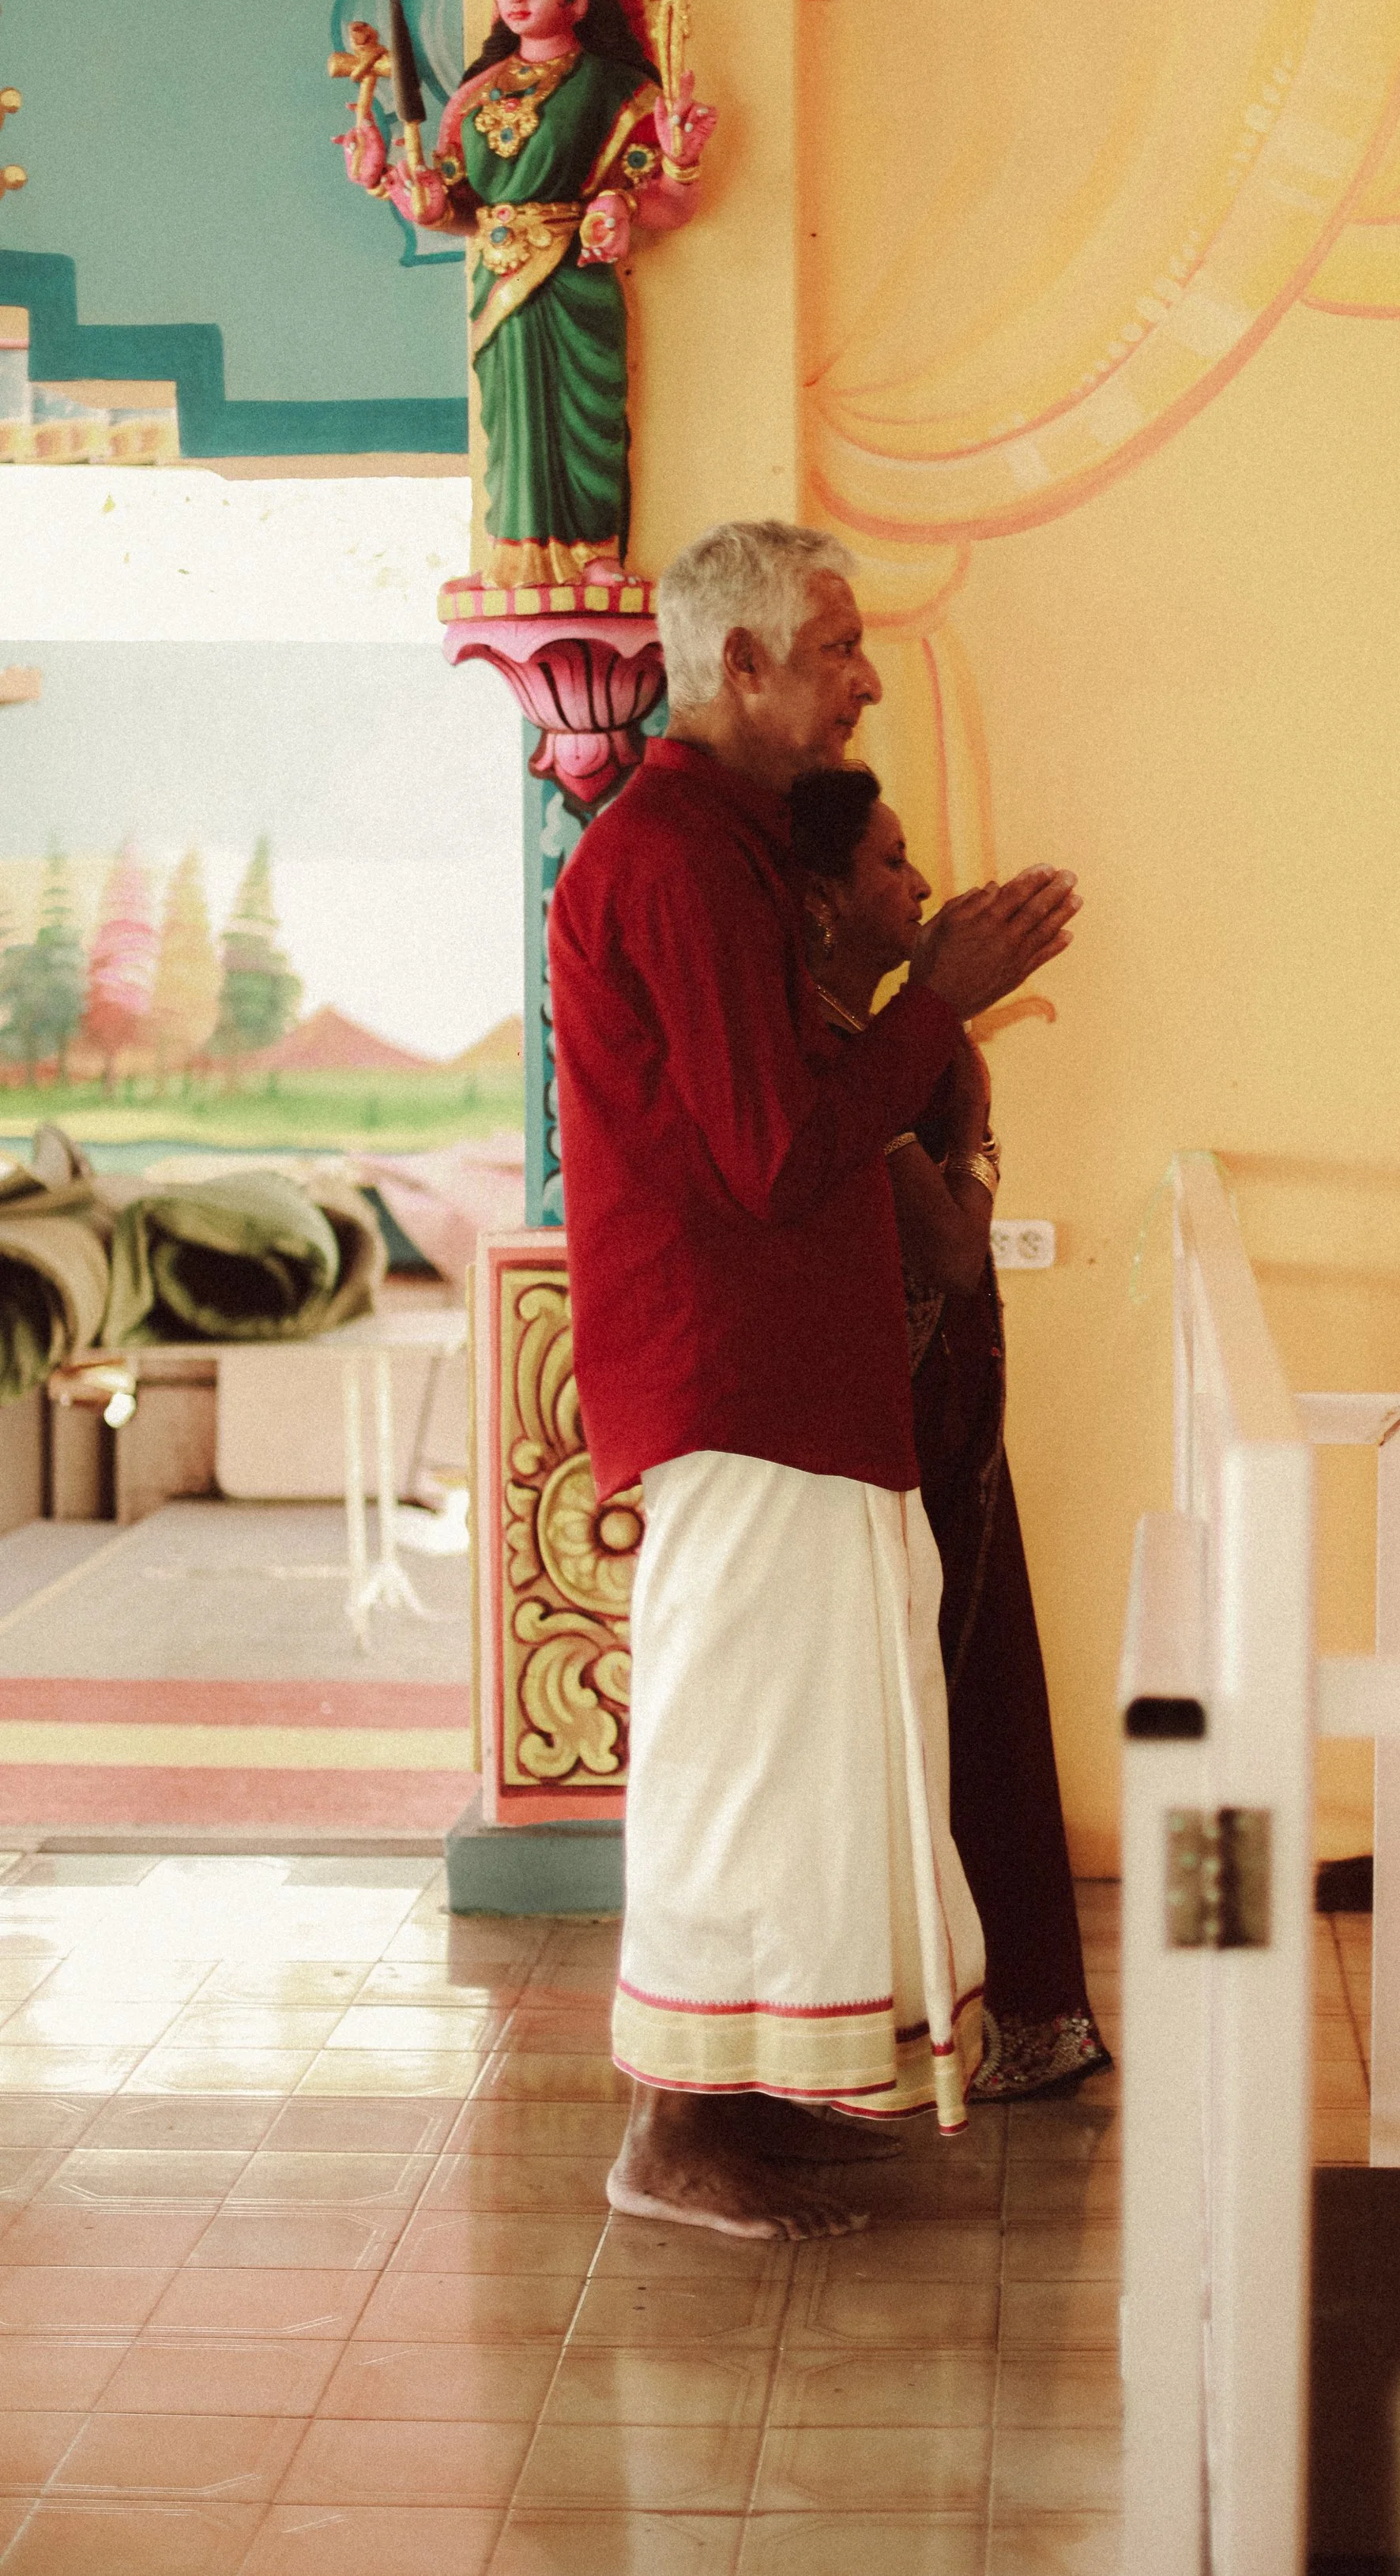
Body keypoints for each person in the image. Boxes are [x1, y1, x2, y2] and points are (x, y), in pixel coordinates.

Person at [548, 519, 1081, 2241]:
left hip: (785, 1379)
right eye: (835, 646)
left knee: (805, 1761)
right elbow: (779, 1159)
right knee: (737, 1757)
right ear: (742, 667)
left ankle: (752, 2101)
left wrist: (918, 996)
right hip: (736, 1380)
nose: (864, 676)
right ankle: (672, 2136)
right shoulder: (672, 863)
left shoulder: (731, 851)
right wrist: (937, 995)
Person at [789, 767, 1111, 2098]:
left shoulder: (858, 1033)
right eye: (889, 863)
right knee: (939, 1711)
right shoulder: (826, 1041)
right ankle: (929, 2026)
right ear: (817, 901)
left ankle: (995, 2019)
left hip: (936, 1424)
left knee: (968, 1700)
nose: (915, 887)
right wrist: (964, 1100)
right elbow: (952, 1250)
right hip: (892, 1438)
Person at [341, 0, 715, 591]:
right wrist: (396, 184)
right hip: (498, 275)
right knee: (509, 427)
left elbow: (665, 201)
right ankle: (516, 557)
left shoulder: (617, 87)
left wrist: (655, 182)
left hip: (575, 275)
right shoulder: (473, 98)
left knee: (583, 415)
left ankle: (591, 553)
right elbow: (452, 206)